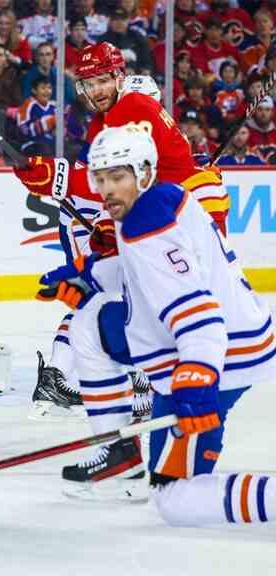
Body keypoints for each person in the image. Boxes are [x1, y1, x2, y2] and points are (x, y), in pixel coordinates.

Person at [13, 42, 228, 486]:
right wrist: (103, 245)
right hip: (160, 224)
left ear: (119, 76)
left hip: (176, 241)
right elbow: (116, 186)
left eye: (102, 80)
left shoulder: (131, 107)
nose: (96, 89)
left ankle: (167, 398)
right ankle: (120, 448)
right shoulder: (111, 117)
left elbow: (114, 178)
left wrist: (55, 178)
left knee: (154, 316)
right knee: (92, 323)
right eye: (88, 83)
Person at [41, 125, 276, 525]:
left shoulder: (146, 223)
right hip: (205, 339)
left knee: (175, 499)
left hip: (219, 355)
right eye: (101, 179)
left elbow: (198, 313)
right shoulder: (159, 200)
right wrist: (91, 275)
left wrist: (198, 378)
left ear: (145, 172)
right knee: (91, 324)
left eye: (118, 177)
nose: (107, 189)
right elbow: (148, 268)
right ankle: (119, 451)